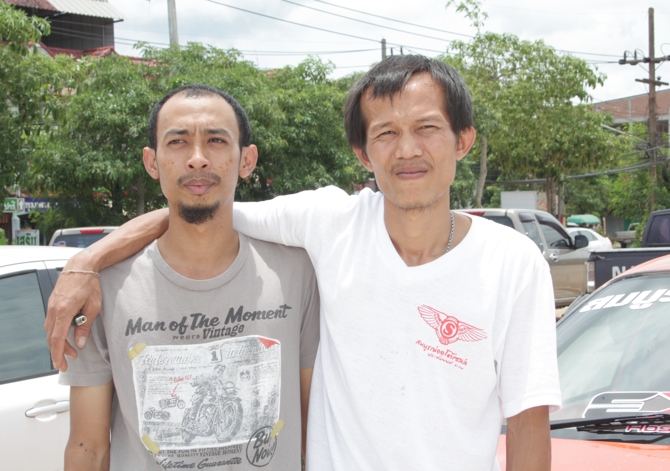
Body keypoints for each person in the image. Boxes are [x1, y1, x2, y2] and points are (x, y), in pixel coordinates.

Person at [48, 56, 560, 471]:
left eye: (427, 127)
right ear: (363, 153)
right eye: (385, 133)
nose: (407, 149)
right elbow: (201, 203)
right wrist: (87, 262)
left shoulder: (513, 264)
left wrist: (87, 258)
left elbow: (528, 427)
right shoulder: (330, 223)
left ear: (463, 140)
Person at [58, 84, 319, 470]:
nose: (197, 159)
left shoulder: (296, 273)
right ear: (152, 162)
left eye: (216, 140)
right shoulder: (101, 290)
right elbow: (88, 447)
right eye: (178, 142)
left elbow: (314, 430)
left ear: (246, 160)